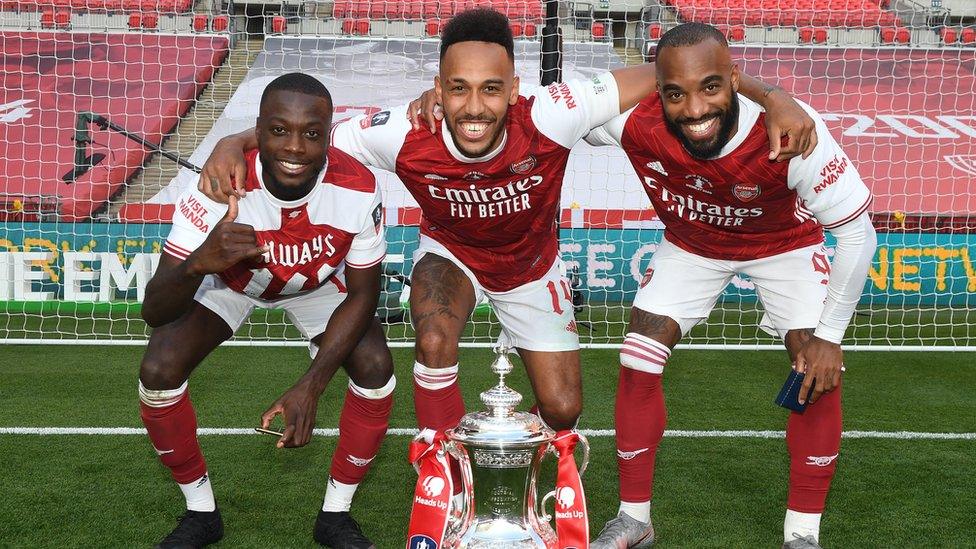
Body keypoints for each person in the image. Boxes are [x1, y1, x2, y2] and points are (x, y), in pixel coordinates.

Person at [199, 10, 816, 455]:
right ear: (437, 90)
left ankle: (544, 478)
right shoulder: (399, 132)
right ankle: (440, 465)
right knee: (434, 332)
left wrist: (775, 96)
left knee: (563, 410)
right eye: (459, 89)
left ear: (514, 91)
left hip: (531, 267)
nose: (474, 106)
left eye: (491, 89)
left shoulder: (554, 110)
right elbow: (306, 135)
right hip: (453, 255)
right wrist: (234, 138)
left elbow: (670, 73)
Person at [583, 23, 877, 549]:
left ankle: (802, 536)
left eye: (711, 88)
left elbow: (857, 231)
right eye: (675, 93)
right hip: (693, 244)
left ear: (735, 80)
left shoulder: (792, 132)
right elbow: (545, 116)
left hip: (784, 244)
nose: (694, 110)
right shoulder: (631, 120)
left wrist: (830, 335)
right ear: (657, 89)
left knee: (815, 370)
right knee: (637, 359)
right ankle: (634, 519)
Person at [138, 73, 394, 549]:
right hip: (231, 281)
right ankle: (200, 514)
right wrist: (202, 262)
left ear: (327, 135)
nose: (294, 147)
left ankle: (336, 518)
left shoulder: (359, 187)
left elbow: (362, 295)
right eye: (279, 130)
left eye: (311, 134)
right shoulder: (219, 183)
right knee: (159, 369)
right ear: (258, 130)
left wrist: (311, 385)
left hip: (317, 285)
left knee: (377, 367)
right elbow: (154, 308)